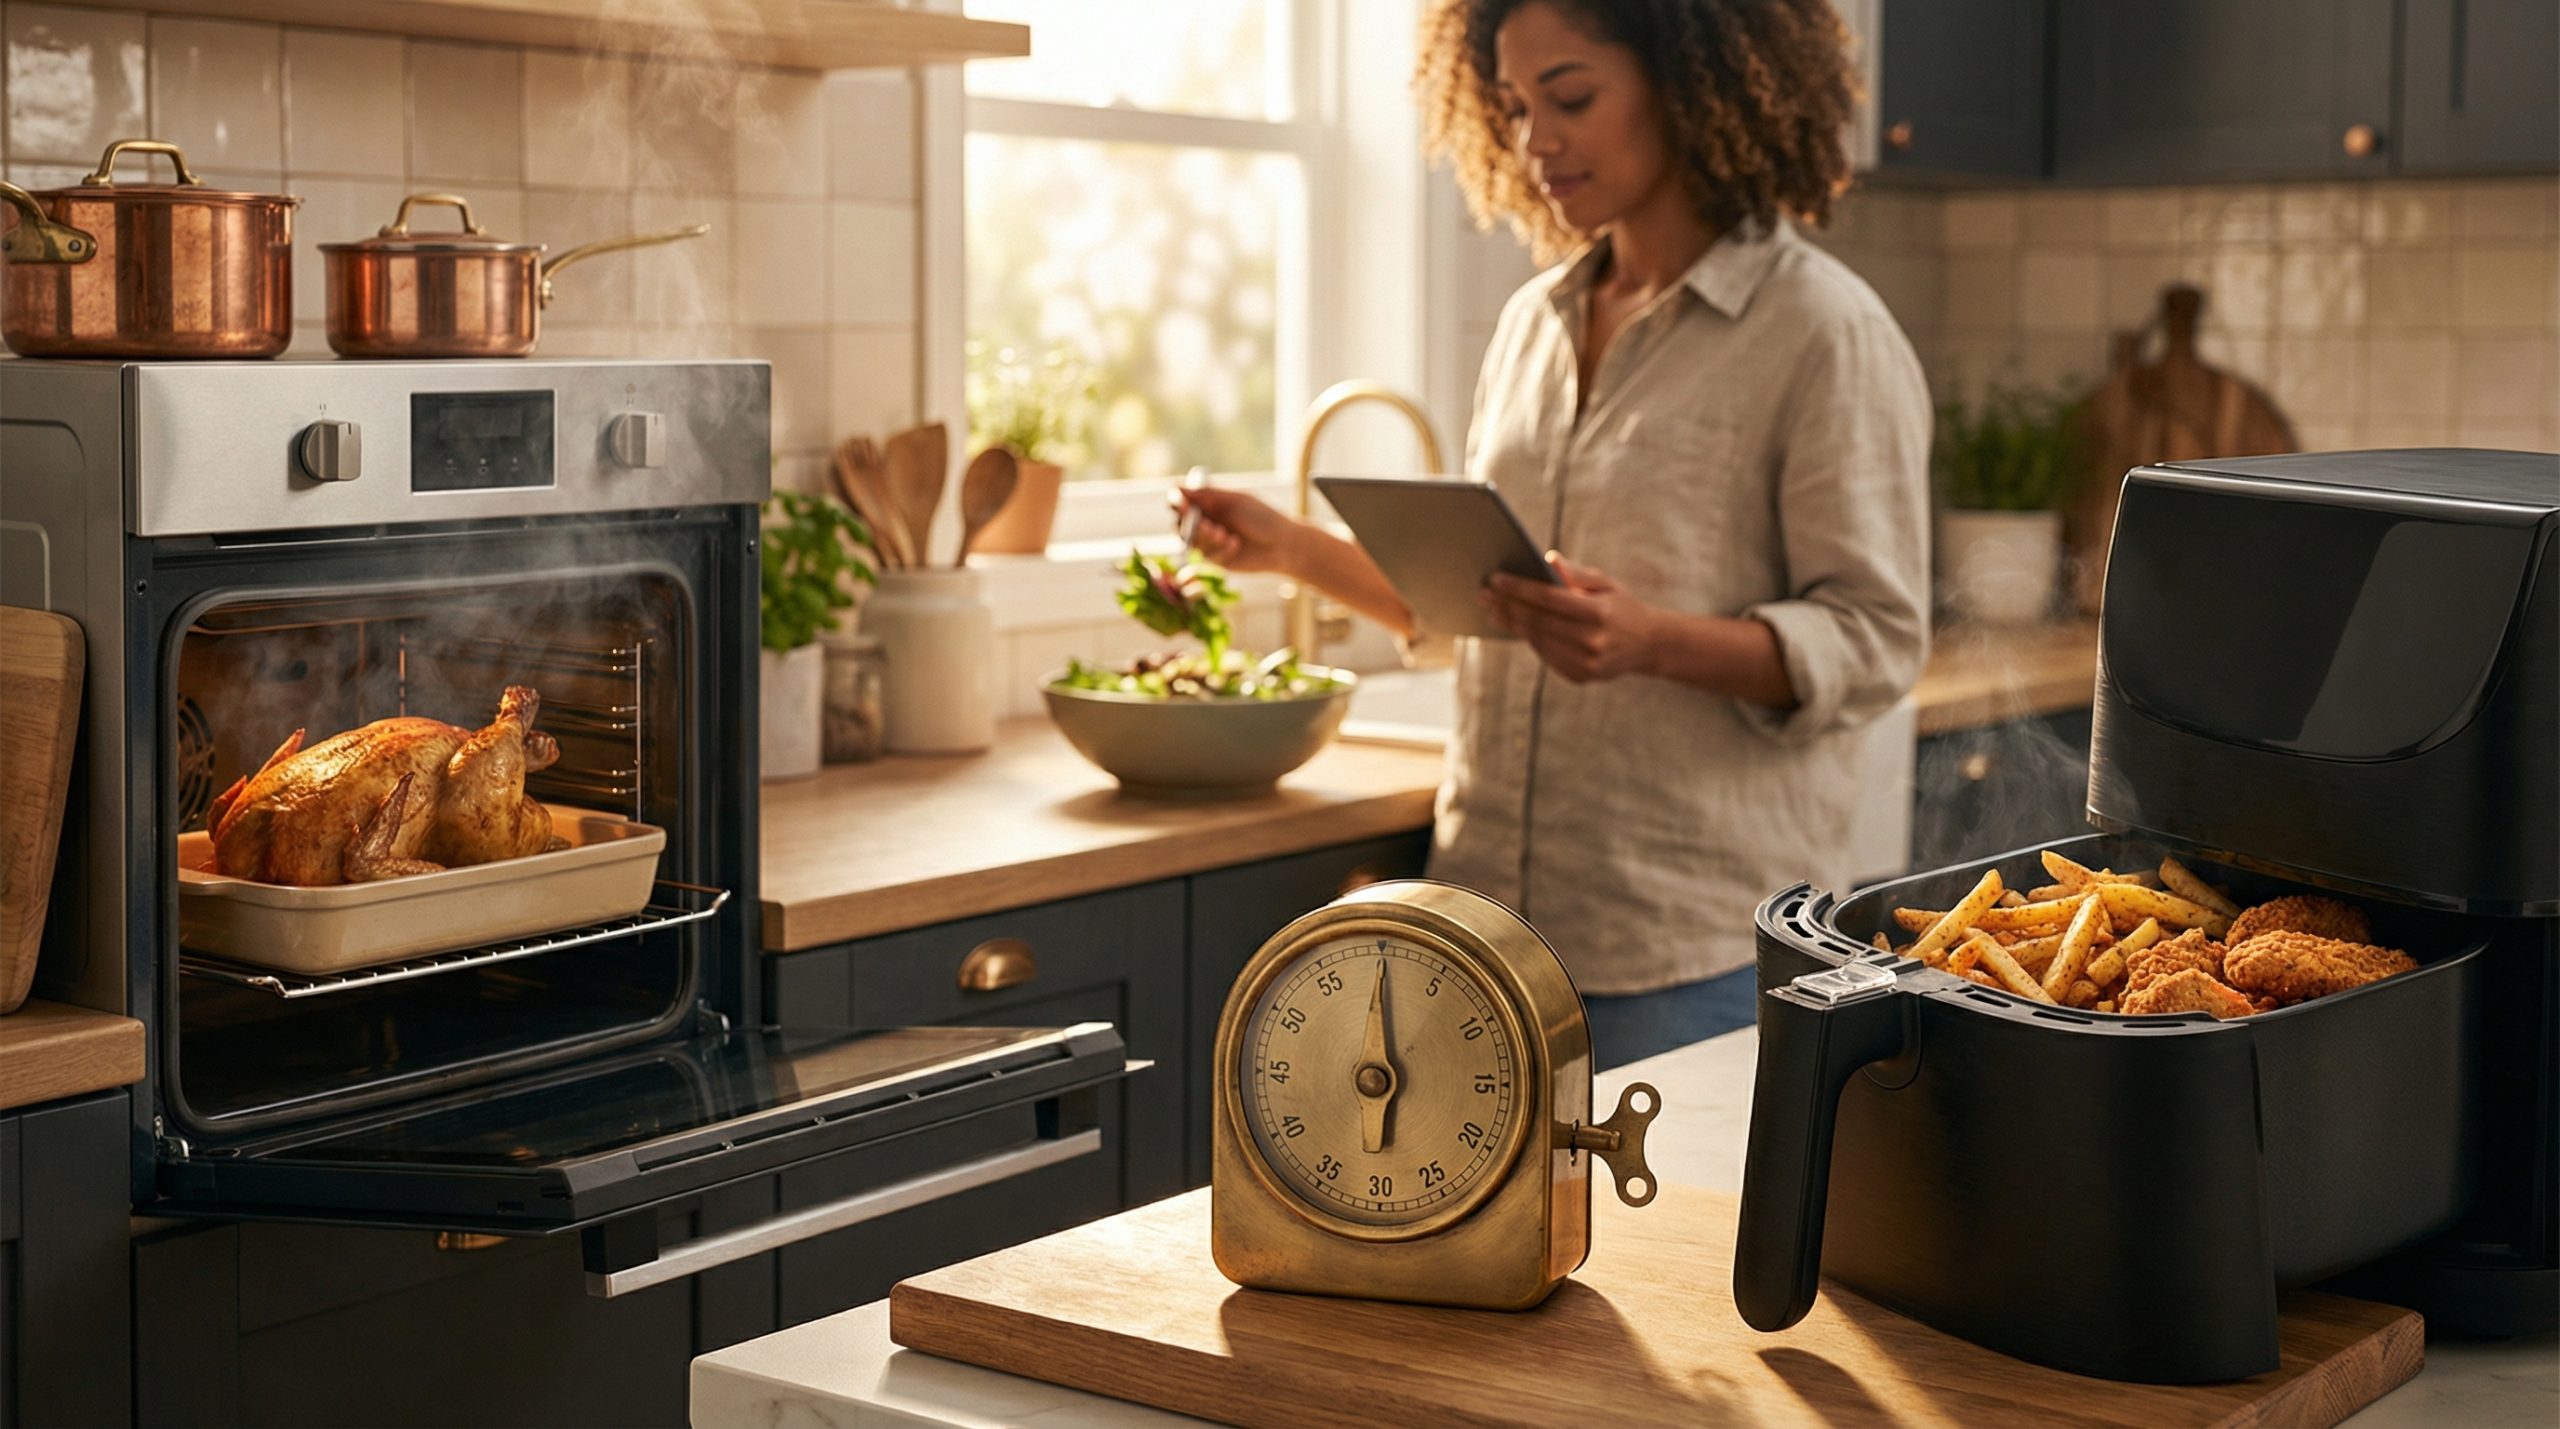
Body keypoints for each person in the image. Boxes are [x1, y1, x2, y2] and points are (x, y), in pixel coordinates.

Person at [1174, 0, 1931, 1069]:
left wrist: (1650, 639)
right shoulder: (1534, 323)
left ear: (1690, 82)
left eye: (1570, 97)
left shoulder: (1822, 331)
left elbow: (1875, 640)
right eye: (1515, 107)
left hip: (1684, 953)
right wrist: (1289, 549)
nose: (1535, 140)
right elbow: (1488, 605)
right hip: (1481, 933)